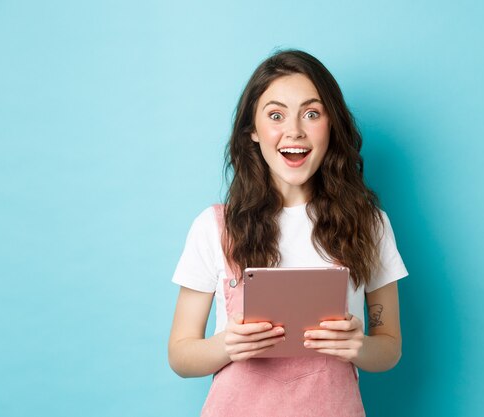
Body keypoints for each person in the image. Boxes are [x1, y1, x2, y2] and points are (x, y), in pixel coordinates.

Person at [168, 49, 408, 416]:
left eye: (312, 114)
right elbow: (181, 355)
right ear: (253, 130)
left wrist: (357, 345)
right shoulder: (214, 227)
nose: (294, 130)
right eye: (276, 115)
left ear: (332, 125)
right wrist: (227, 345)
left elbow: (389, 347)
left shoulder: (370, 224)